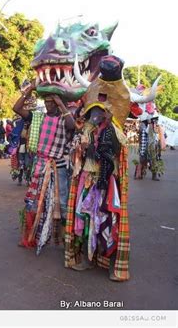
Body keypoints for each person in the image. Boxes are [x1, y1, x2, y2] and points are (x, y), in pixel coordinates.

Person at [65, 55, 131, 281]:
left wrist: (97, 146)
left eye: (99, 110)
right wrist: (81, 148)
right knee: (83, 220)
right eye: (93, 109)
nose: (95, 113)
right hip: (87, 180)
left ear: (107, 113)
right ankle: (87, 257)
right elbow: (77, 153)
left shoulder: (114, 132)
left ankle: (113, 265)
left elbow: (112, 153)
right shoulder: (86, 130)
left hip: (106, 183)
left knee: (108, 219)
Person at [13, 82, 75, 252]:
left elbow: (72, 126)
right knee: (32, 201)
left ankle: (65, 240)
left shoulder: (65, 117)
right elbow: (17, 108)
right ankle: (29, 237)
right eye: (46, 102)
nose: (48, 105)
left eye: (51, 102)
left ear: (57, 103)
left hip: (58, 166)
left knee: (62, 203)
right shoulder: (38, 117)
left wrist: (61, 104)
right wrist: (29, 90)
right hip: (40, 164)